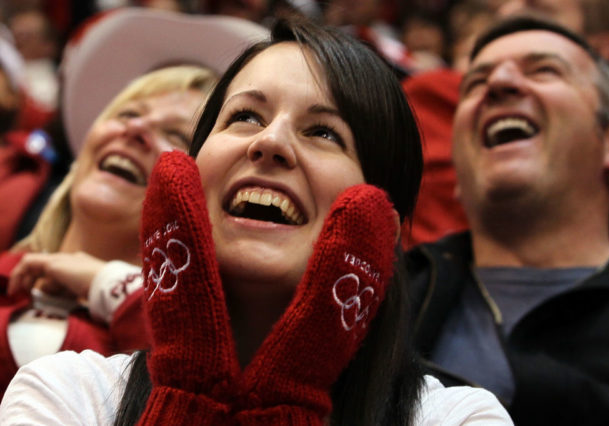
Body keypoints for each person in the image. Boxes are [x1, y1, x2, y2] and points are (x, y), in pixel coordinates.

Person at [0, 17, 513, 425]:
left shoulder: (459, 417)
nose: (269, 142)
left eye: (324, 132)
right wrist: (188, 387)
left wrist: (293, 396)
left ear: (388, 229)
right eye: (245, 116)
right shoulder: (65, 394)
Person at [0, 8, 269, 398]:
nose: (136, 129)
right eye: (127, 113)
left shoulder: (207, 342)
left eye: (175, 134)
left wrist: (108, 285)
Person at [407, 16, 609, 425]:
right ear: (458, 174)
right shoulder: (382, 297)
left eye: (544, 70)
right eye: (476, 83)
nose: (498, 83)